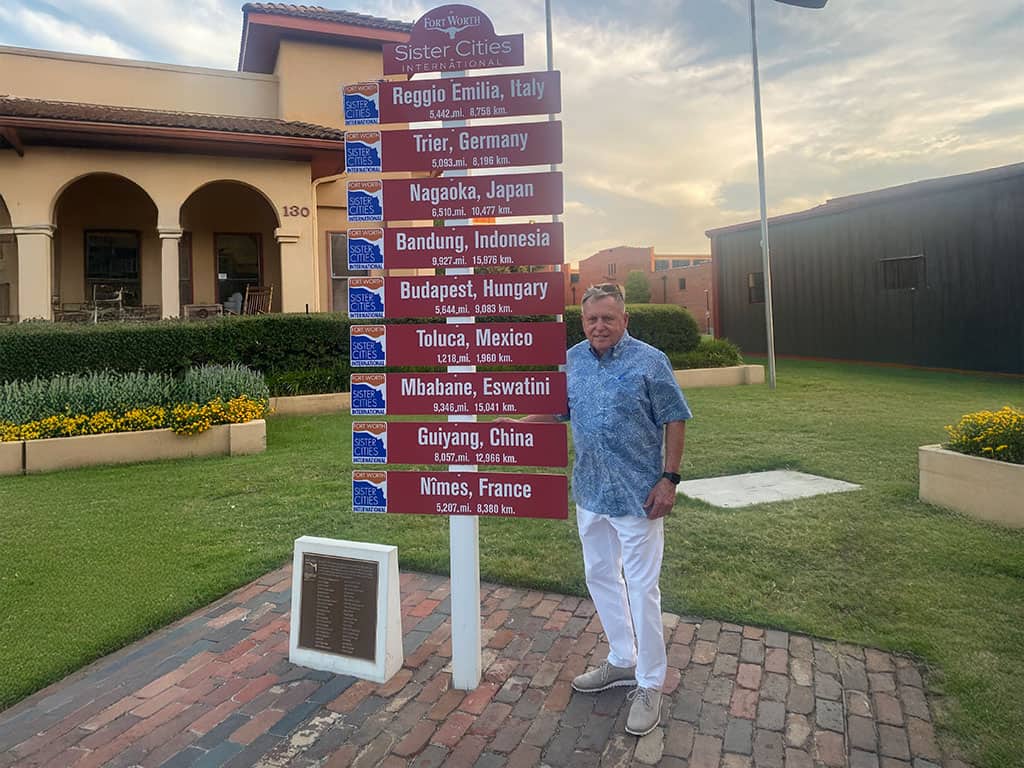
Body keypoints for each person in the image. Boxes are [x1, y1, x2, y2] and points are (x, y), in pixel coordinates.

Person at [516, 282, 692, 736]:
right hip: (590, 492)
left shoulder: (650, 361)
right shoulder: (572, 360)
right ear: (583, 321)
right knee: (599, 576)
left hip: (638, 497)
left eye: (608, 318)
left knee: (642, 588)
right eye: (592, 319)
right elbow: (559, 411)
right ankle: (621, 659)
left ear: (624, 320)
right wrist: (517, 422)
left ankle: (651, 683)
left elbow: (675, 416)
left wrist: (669, 479)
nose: (599, 326)